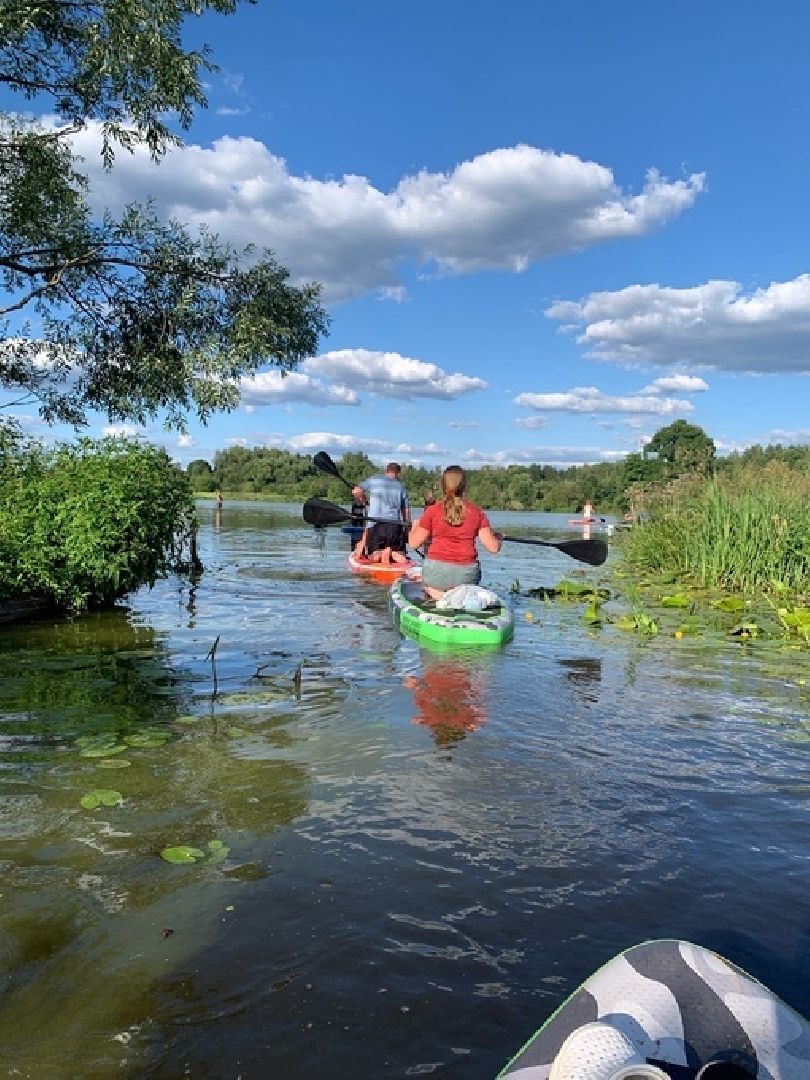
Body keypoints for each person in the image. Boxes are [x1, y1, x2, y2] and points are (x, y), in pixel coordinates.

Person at [407, 465, 502, 599]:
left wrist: (414, 527)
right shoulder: (477, 513)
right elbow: (493, 548)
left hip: (435, 575)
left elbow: (413, 543)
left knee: (429, 586)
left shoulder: (432, 511)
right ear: (464, 486)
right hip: (466, 576)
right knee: (464, 586)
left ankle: (437, 595)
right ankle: (456, 597)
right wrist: (498, 538)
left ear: (443, 486)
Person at [352, 462, 411, 566]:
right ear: (398, 473)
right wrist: (406, 529)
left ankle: (379, 554)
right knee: (401, 554)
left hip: (375, 525)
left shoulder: (374, 480)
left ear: (386, 471)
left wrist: (362, 499)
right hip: (394, 526)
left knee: (372, 555)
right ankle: (393, 554)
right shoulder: (401, 487)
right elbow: (405, 510)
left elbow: (356, 491)